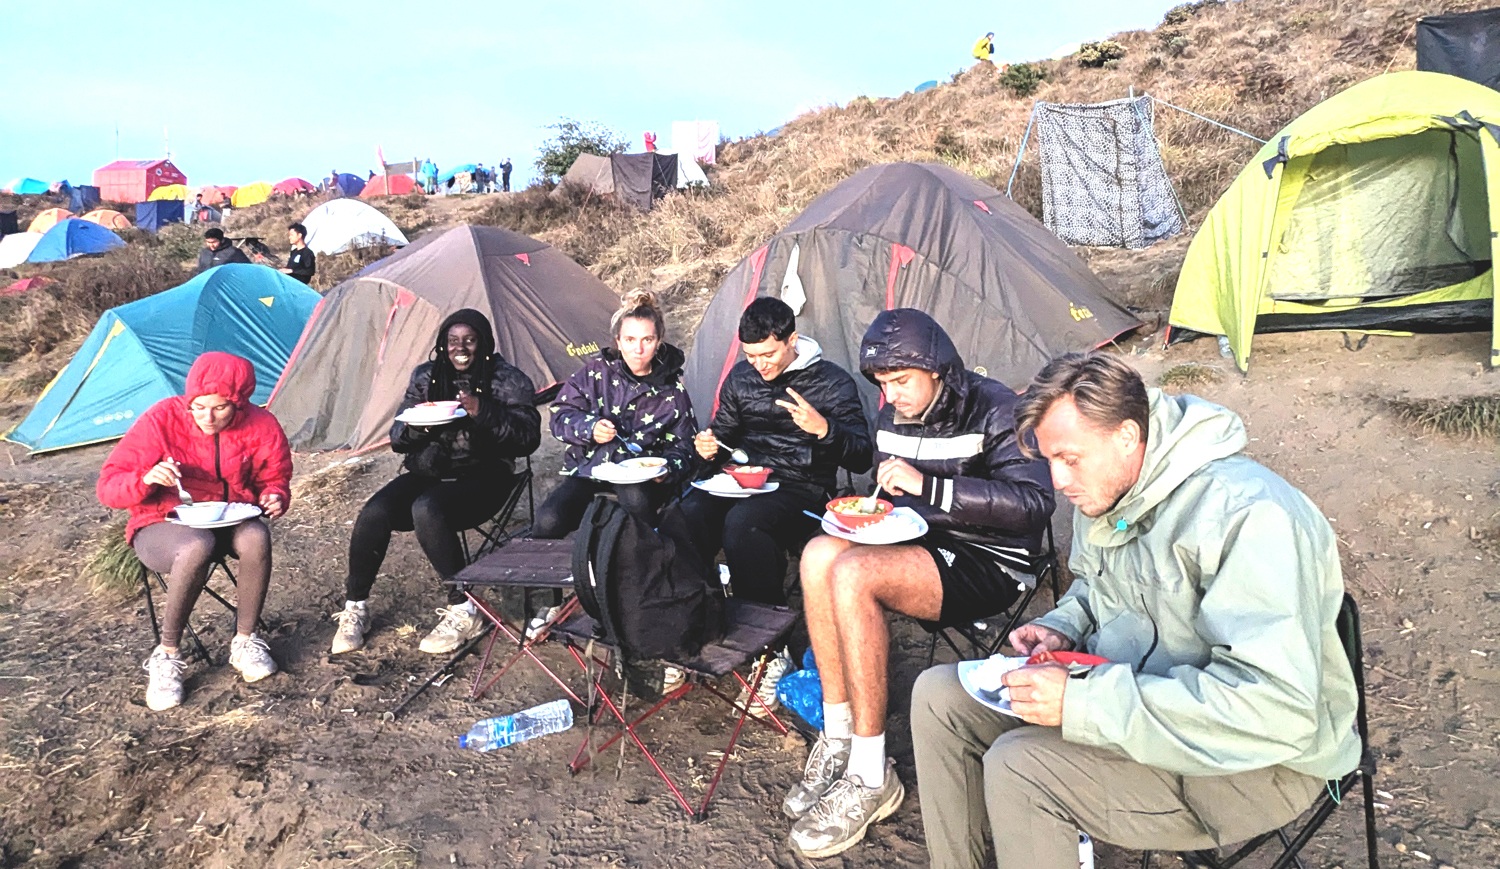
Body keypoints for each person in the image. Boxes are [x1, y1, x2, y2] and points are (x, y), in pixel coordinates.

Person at [910, 351, 1362, 869]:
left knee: (1021, 769)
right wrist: (1063, 626)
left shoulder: (1250, 516)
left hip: (1255, 762)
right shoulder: (1108, 491)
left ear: (1127, 435)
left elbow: (1275, 711)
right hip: (1138, 702)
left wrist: (1085, 707)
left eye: (1070, 458)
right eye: (1049, 460)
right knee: (939, 694)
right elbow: (1098, 590)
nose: (1057, 482)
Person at [785, 309, 1054, 859]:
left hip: (990, 560)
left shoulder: (997, 407)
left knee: (854, 572)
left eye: (902, 381)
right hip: (922, 541)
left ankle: (870, 770)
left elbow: (1032, 505)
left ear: (939, 371)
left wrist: (929, 488)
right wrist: (869, 511)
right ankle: (837, 736)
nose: (892, 395)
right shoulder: (893, 413)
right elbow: (892, 495)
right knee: (818, 554)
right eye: (883, 383)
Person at [681, 297, 872, 707]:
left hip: (802, 487)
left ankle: (769, 646)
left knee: (744, 525)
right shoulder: (741, 378)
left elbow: (862, 454)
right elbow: (726, 434)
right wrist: (709, 446)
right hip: (744, 478)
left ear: (792, 340)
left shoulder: (832, 382)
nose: (759, 365)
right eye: (750, 356)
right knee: (687, 514)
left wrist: (824, 430)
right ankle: (700, 622)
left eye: (768, 354)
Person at [330, 309, 541, 656]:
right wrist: (421, 425)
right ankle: (356, 607)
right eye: (453, 341)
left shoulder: (509, 380)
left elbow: (527, 438)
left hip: (487, 478)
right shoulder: (426, 376)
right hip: (430, 470)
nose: (461, 348)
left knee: (426, 508)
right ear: (443, 345)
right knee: (375, 511)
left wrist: (482, 411)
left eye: (470, 341)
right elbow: (398, 437)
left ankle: (464, 608)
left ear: (484, 344)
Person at [97, 352, 293, 711]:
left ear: (239, 403)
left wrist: (275, 496)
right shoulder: (162, 419)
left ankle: (245, 641)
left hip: (229, 516)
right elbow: (108, 486)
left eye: (219, 409)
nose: (207, 417)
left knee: (256, 536)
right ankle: (167, 655)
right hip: (162, 523)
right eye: (198, 408)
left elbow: (275, 477)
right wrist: (144, 480)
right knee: (197, 543)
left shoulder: (261, 424)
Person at [534, 289, 696, 538]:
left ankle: (640, 565)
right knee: (549, 519)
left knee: (634, 501)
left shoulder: (672, 391)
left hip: (643, 480)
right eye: (630, 340)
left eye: (647, 340)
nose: (638, 349)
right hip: (590, 470)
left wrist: (667, 470)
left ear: (659, 341)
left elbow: (685, 446)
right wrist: (589, 428)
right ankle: (552, 572)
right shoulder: (594, 374)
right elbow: (559, 415)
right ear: (618, 341)